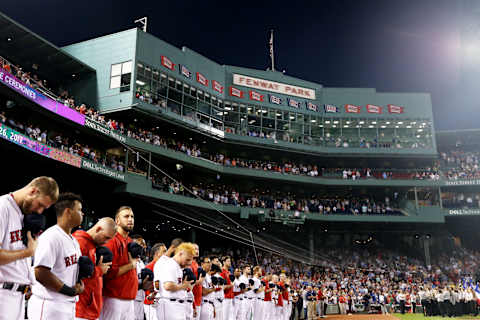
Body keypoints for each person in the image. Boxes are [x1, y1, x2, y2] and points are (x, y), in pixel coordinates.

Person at [0, 176, 58, 320]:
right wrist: (27, 252)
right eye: (40, 205)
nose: (40, 211)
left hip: (18, 297)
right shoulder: (3, 207)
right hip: (3, 295)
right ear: (33, 191)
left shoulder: (24, 214)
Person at [28, 193, 84, 320]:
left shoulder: (73, 240)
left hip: (67, 304)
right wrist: (70, 291)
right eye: (79, 210)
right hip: (49, 305)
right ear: (68, 212)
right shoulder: (51, 237)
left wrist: (80, 283)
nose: (82, 214)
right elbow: (40, 272)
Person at [74, 217, 117, 320]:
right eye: (106, 237)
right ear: (98, 229)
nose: (106, 242)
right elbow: (73, 274)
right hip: (81, 310)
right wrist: (99, 270)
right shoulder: (80, 243)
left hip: (90, 309)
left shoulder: (91, 245)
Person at [101, 206, 139, 320]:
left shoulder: (130, 241)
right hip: (113, 299)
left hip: (130, 299)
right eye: (126, 216)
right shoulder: (111, 240)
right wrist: (131, 265)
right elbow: (107, 272)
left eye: (132, 216)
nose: (130, 219)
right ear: (117, 221)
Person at [154, 242, 195, 320]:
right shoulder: (170, 264)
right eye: (187, 260)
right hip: (170, 305)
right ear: (180, 253)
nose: (189, 263)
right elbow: (168, 286)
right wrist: (183, 286)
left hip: (175, 305)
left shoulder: (175, 265)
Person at [144, 243, 167, 320]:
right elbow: (145, 287)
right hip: (151, 304)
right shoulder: (149, 267)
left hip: (163, 303)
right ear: (157, 254)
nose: (166, 254)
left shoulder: (165, 267)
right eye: (164, 251)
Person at [220, 256, 234, 320]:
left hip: (230, 297)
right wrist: (230, 285)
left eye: (230, 261)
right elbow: (221, 287)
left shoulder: (229, 272)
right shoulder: (222, 272)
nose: (230, 262)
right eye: (228, 261)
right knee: (224, 317)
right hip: (225, 298)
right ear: (223, 262)